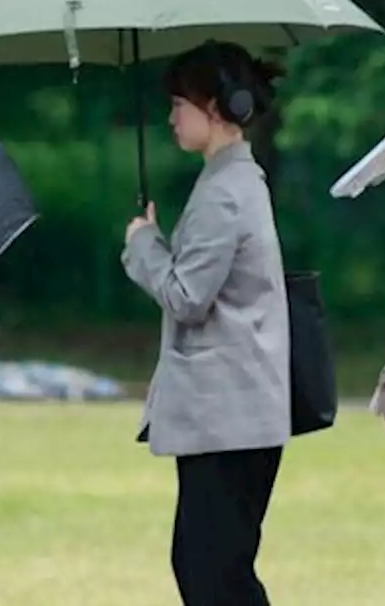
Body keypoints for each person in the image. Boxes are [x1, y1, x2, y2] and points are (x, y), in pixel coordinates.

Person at [121, 41, 290, 606]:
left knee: (216, 575)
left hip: (229, 418)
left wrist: (143, 245)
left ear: (214, 107)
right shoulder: (233, 181)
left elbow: (188, 295)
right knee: (205, 565)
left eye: (179, 104)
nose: (171, 117)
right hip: (232, 416)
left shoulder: (225, 192)